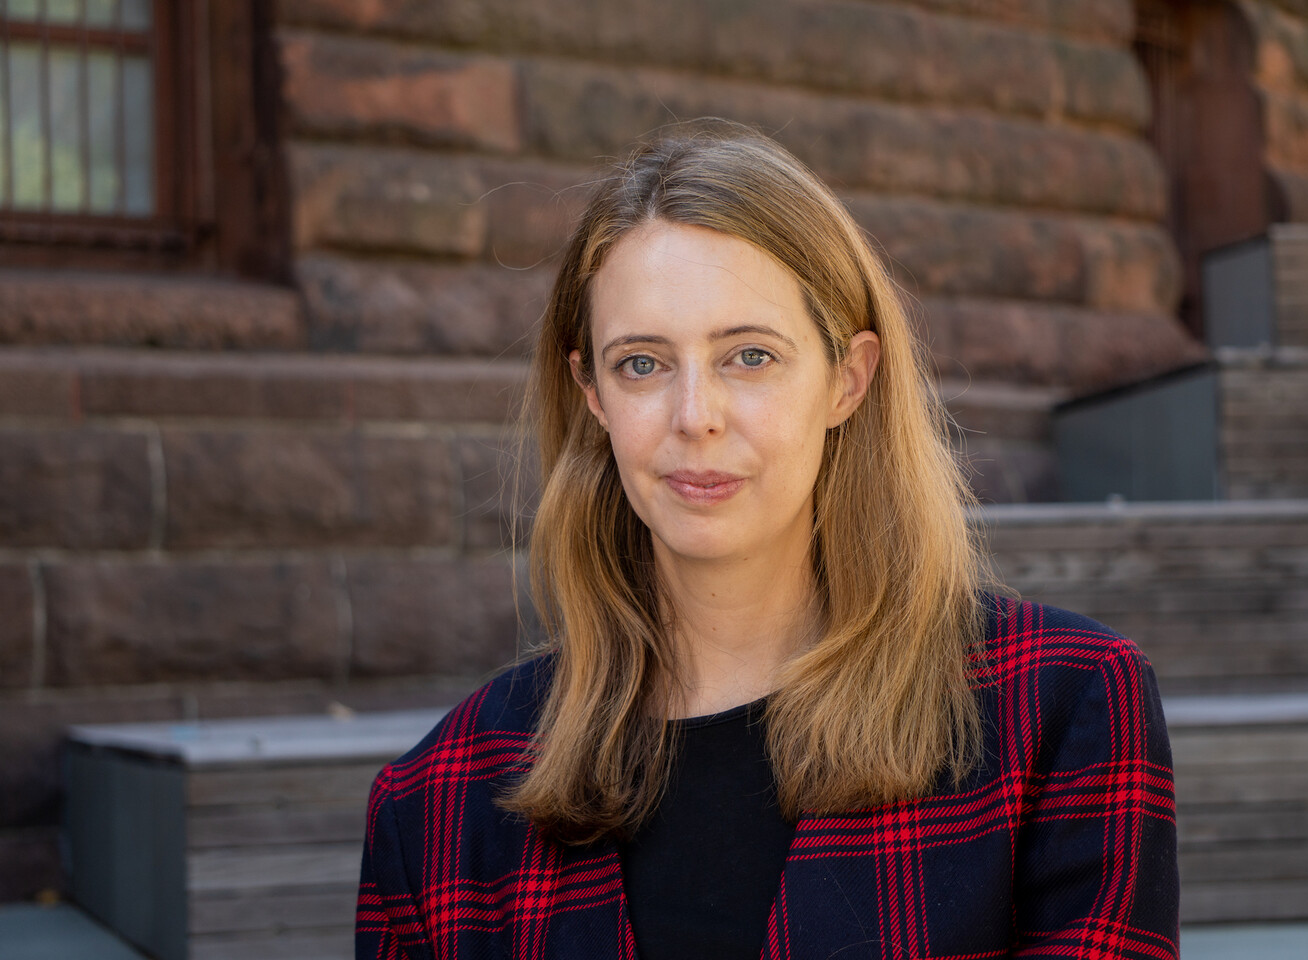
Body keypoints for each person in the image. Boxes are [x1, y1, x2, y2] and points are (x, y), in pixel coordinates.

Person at [356, 124, 1179, 960]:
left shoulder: (1060, 713)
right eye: (642, 363)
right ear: (592, 394)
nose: (695, 416)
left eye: (749, 356)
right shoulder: (439, 805)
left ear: (847, 380)